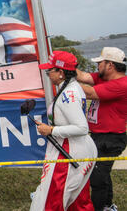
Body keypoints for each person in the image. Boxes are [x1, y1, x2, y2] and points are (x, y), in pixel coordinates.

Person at [30, 51, 97, 211]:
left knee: (50, 202)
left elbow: (81, 127)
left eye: (49, 71)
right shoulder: (71, 87)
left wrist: (51, 129)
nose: (47, 74)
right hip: (76, 148)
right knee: (78, 201)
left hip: (69, 152)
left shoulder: (69, 93)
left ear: (61, 72)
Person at [75, 47, 127, 211]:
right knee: (100, 174)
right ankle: (107, 205)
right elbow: (83, 76)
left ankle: (100, 207)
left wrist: (65, 79)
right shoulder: (102, 77)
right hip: (98, 136)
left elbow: (89, 93)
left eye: (100, 63)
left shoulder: (121, 84)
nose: (97, 66)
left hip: (110, 139)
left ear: (110, 65)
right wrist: (63, 65)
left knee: (97, 178)